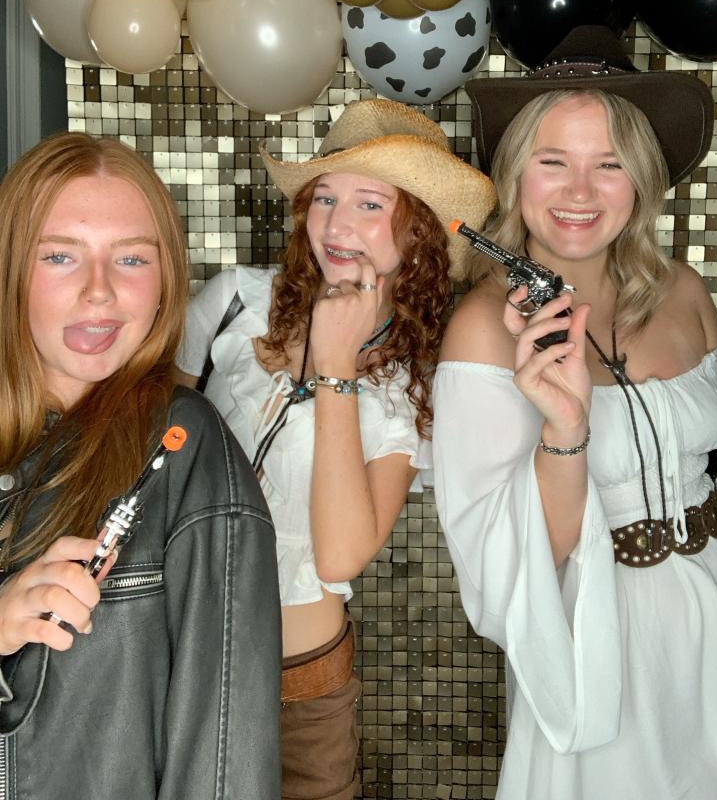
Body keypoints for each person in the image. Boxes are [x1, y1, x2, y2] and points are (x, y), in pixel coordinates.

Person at [430, 27, 717, 800]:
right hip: (596, 643)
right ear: (515, 175)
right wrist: (565, 430)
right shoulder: (483, 329)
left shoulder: (684, 292)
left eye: (609, 164)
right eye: (554, 162)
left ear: (640, 179)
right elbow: (506, 566)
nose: (580, 191)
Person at [174, 98, 496, 800]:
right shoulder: (234, 305)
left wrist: (335, 366)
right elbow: (152, 450)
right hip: (177, 652)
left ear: (418, 234)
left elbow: (341, 556)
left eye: (369, 204)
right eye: (325, 197)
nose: (336, 223)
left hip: (302, 687)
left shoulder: (410, 387)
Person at [0, 133, 281, 800]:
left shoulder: (183, 450)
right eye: (60, 256)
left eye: (130, 258)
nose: (98, 292)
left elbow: (225, 757)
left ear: (165, 281)